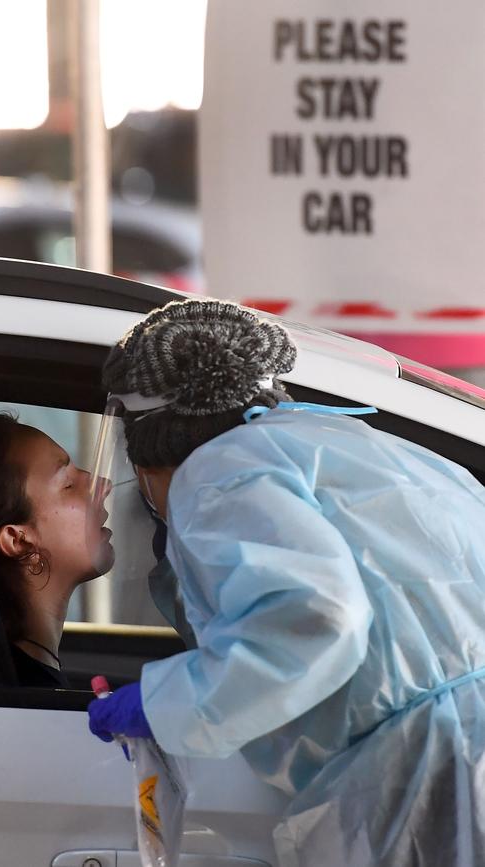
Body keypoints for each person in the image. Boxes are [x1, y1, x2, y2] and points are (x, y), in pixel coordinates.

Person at [87, 298, 485, 867]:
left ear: (150, 446)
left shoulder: (218, 471)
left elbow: (317, 619)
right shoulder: (355, 447)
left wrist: (166, 704)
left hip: (444, 775)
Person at [0, 414, 113, 687]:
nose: (104, 484)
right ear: (19, 540)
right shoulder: (19, 693)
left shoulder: (3, 676)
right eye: (68, 484)